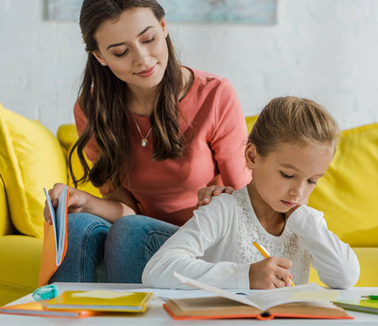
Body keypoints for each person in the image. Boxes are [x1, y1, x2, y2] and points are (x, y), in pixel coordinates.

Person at [44, 0, 250, 283]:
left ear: (163, 27)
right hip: (138, 231)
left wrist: (223, 198)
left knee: (130, 232)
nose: (142, 59)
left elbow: (248, 204)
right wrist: (84, 202)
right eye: (120, 52)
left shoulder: (215, 95)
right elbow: (126, 211)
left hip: (203, 241)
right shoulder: (92, 109)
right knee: (76, 226)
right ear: (100, 56)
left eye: (148, 39)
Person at [142, 96, 360, 289]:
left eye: (312, 180)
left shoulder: (306, 223)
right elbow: (158, 269)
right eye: (287, 175)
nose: (298, 192)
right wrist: (245, 276)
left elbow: (346, 277)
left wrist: (303, 219)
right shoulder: (225, 209)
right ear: (252, 156)